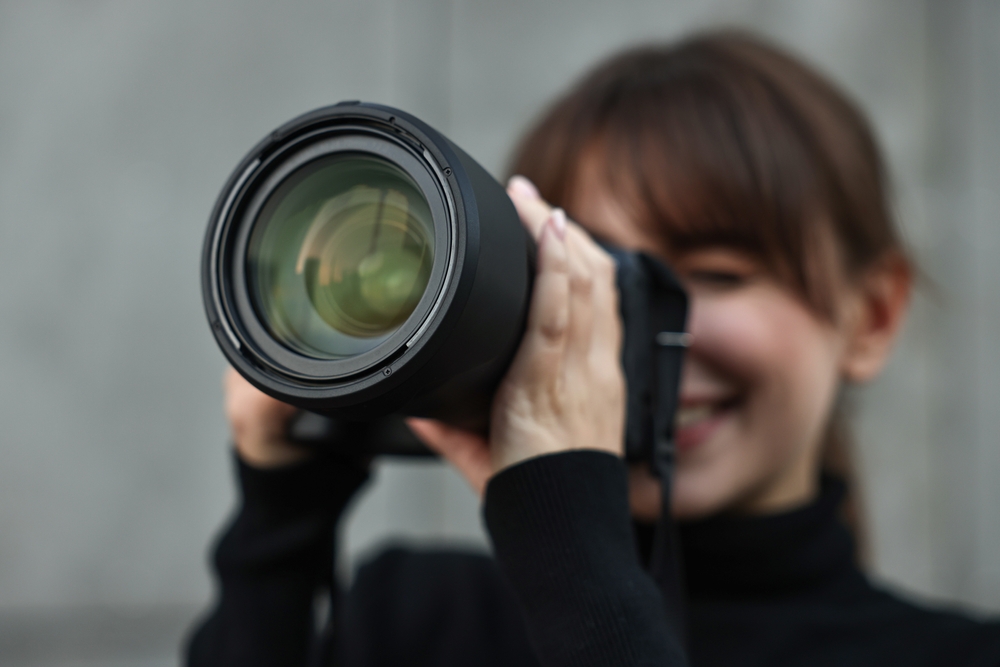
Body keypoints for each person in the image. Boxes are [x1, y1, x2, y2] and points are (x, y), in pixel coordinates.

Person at [186, 31, 1000, 667]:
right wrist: (279, 525)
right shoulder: (412, 620)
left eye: (717, 273)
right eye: (583, 278)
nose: (621, 328)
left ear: (872, 317)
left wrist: (578, 567)